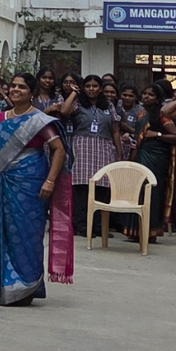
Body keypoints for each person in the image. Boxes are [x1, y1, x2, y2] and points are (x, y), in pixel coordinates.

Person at [0, 72, 73, 306]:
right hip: (3, 179)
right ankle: (0, 285)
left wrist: (50, 181)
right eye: (13, 86)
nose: (16, 90)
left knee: (26, 232)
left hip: (30, 181)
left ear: (31, 93)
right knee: (2, 229)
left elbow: (59, 149)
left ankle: (25, 286)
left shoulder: (38, 120)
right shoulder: (2, 117)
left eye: (22, 87)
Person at [58, 75, 122, 237]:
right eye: (87, 86)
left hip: (104, 148)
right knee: (82, 187)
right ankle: (81, 225)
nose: (91, 89)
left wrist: (119, 153)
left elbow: (115, 131)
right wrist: (74, 93)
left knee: (102, 187)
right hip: (82, 147)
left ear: (100, 89)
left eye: (95, 86)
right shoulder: (78, 103)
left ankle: (98, 226)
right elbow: (63, 111)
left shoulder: (108, 105)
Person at [132, 81, 176, 242]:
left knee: (153, 192)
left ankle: (151, 231)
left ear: (158, 98)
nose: (146, 97)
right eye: (145, 93)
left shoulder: (162, 116)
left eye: (151, 95)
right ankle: (136, 231)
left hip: (157, 157)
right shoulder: (140, 114)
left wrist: (158, 135)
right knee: (139, 191)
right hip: (141, 154)